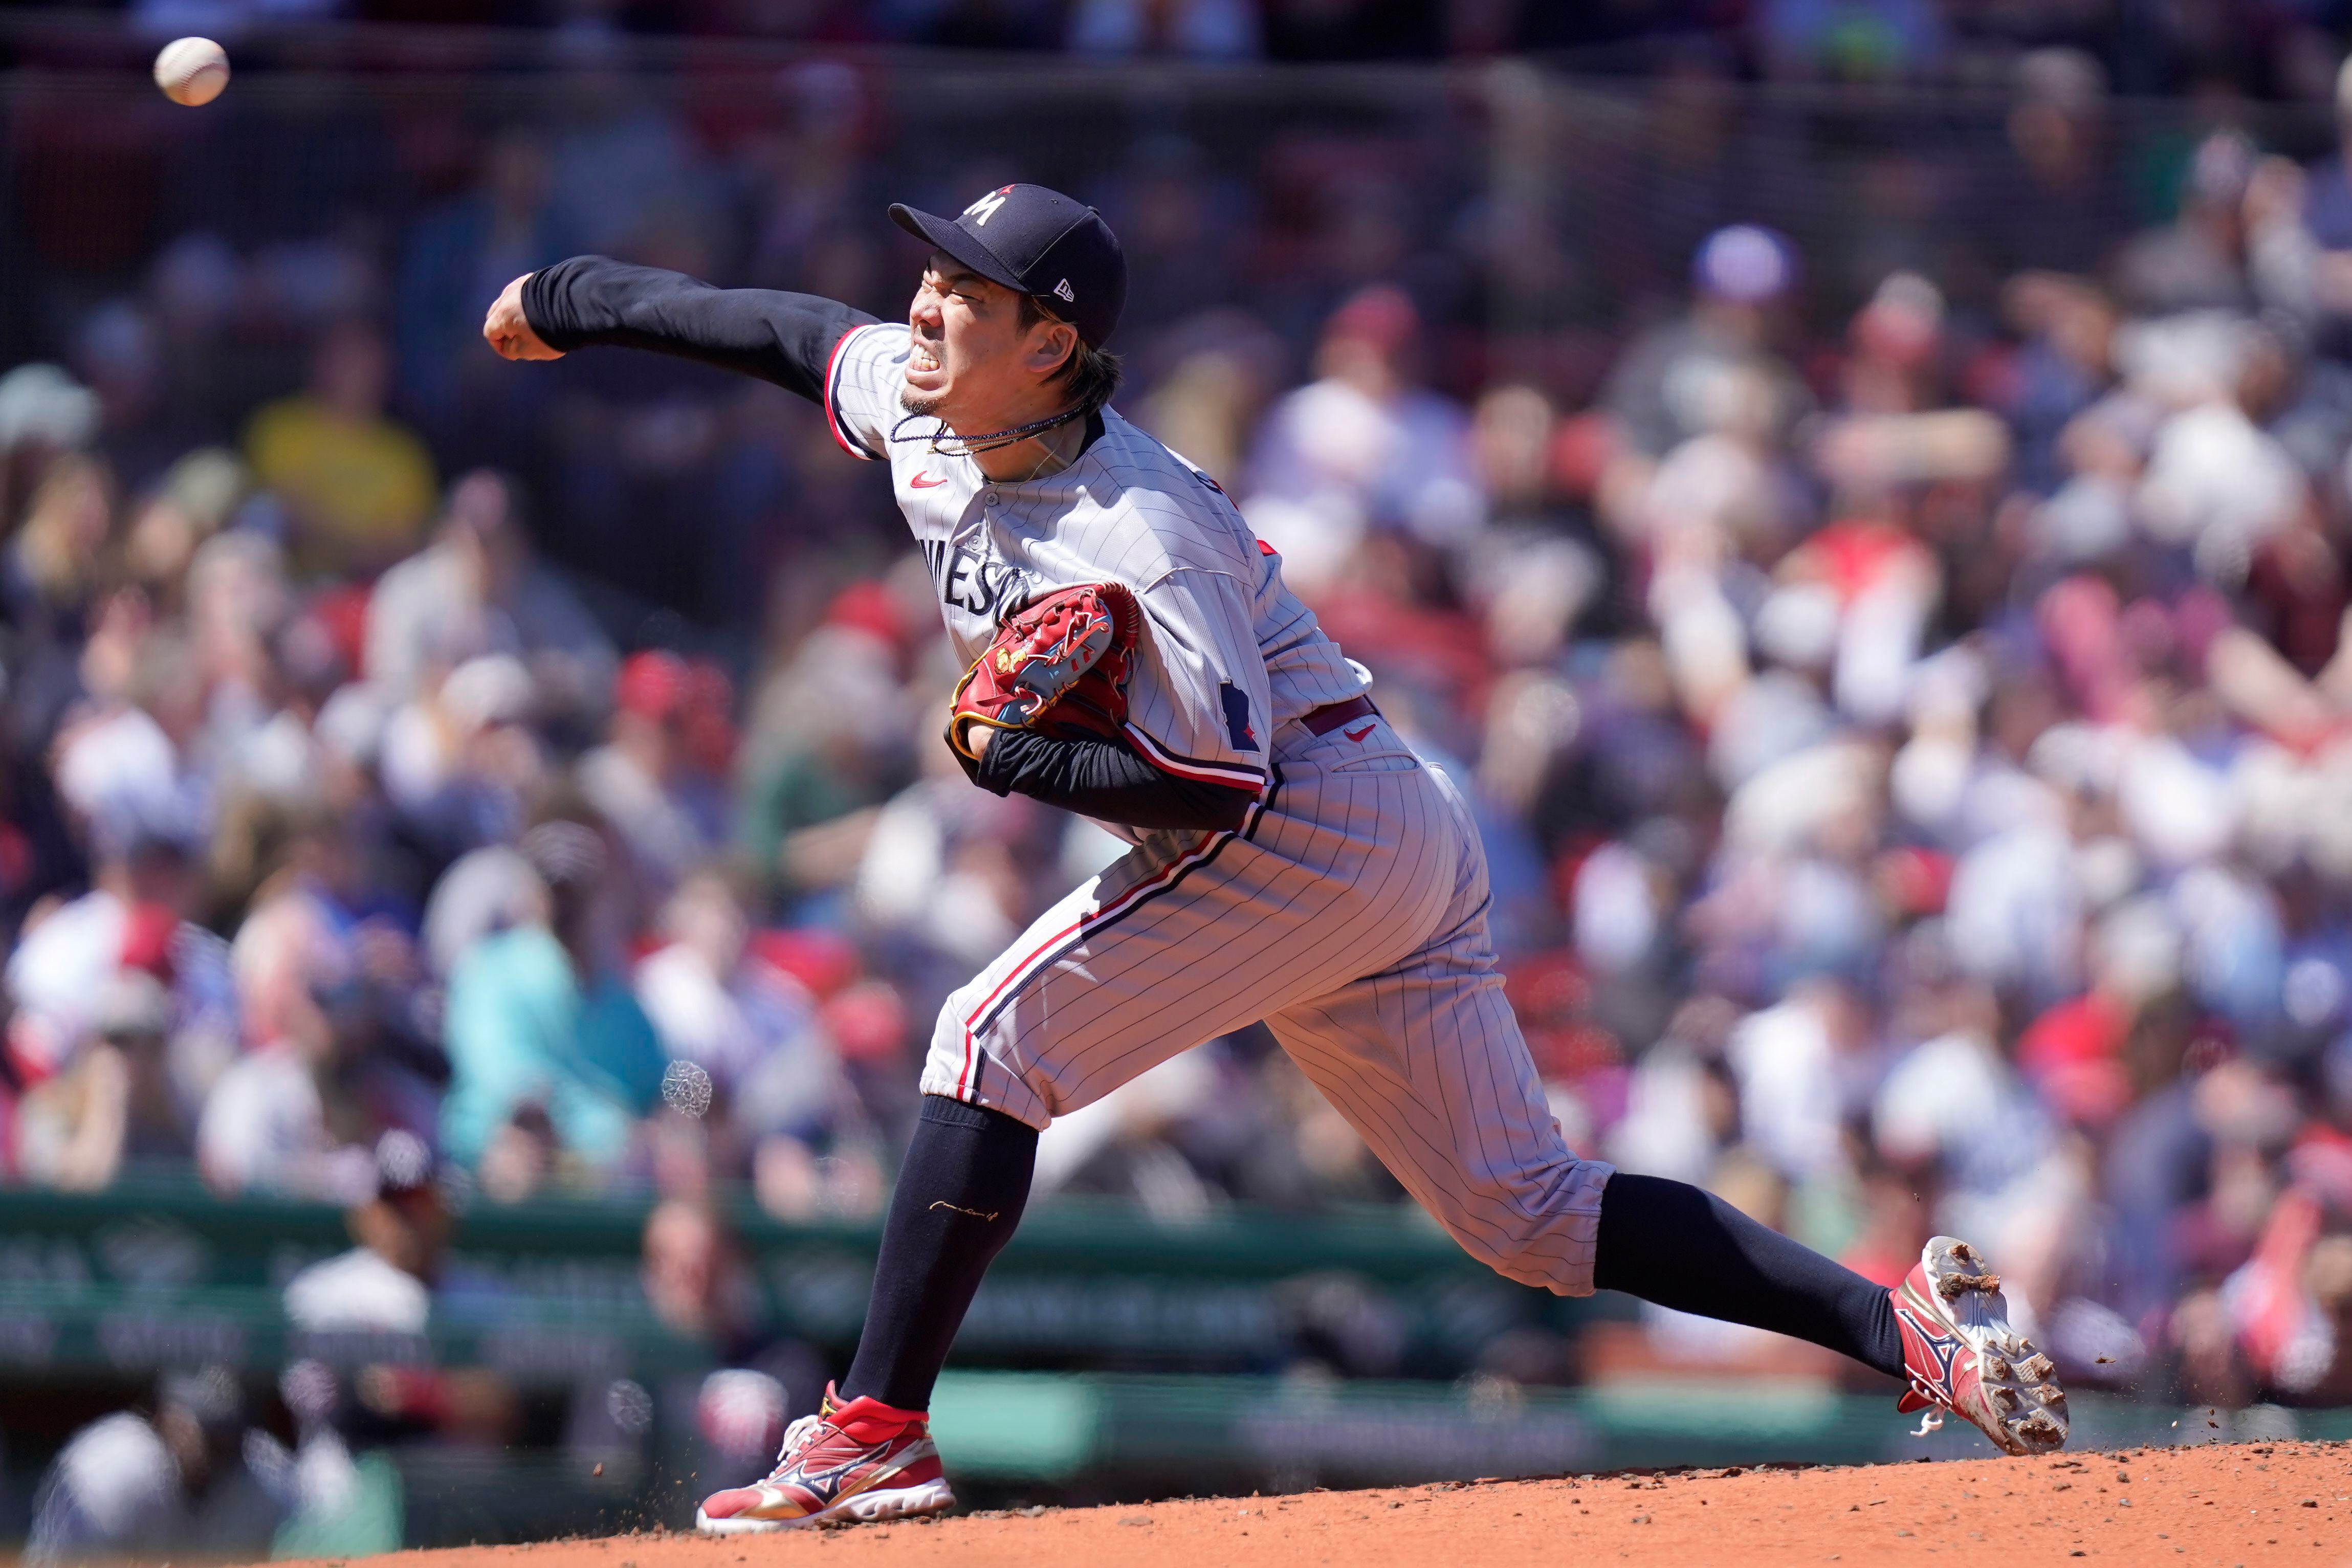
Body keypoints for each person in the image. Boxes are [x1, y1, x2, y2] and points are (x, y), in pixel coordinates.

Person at [482, 182, 2070, 1531]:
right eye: (929, 276)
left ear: (1052, 342)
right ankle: (1908, 1329)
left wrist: (1015, 752)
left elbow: (1212, 791)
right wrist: (574, 296)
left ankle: (874, 1423)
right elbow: (772, 330)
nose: (923, 309)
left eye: (964, 292)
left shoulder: (1138, 525)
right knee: (1521, 1213)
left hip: (1302, 813)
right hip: (1379, 828)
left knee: (988, 1035)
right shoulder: (925, 405)